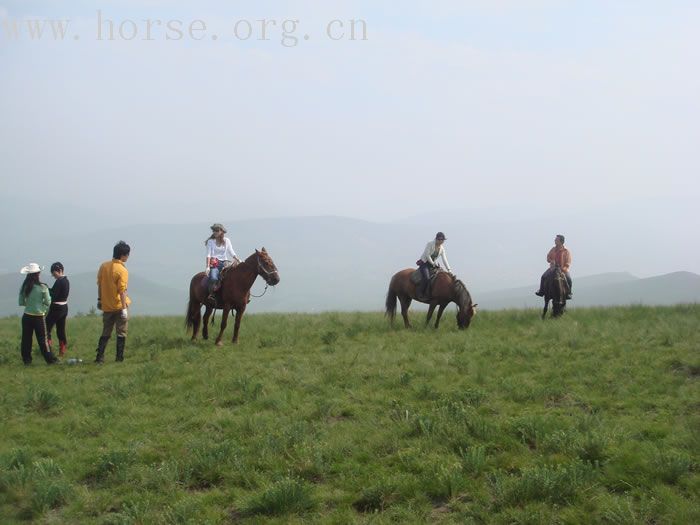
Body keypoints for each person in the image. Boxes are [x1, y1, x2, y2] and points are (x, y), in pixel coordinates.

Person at [95, 241, 131, 363]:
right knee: (121, 332)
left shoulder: (103, 266)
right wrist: (124, 309)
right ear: (123, 255)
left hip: (106, 306)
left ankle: (99, 357)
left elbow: (99, 285)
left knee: (106, 331)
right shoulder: (122, 270)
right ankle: (119, 358)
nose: (128, 257)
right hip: (119, 305)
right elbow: (122, 291)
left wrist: (100, 299)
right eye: (127, 254)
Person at [18, 263, 58, 365]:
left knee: (26, 339)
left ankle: (27, 360)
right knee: (43, 340)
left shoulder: (25, 286)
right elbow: (48, 302)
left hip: (27, 316)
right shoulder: (43, 287)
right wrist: (42, 309)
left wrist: (30, 305)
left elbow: (21, 302)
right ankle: (50, 360)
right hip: (39, 317)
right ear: (38, 274)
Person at [204, 223, 239, 306]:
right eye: (213, 230)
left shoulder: (227, 240)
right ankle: (212, 295)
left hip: (225, 263)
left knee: (235, 276)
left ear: (221, 231)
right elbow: (208, 254)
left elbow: (231, 251)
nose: (215, 232)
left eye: (217, 230)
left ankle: (238, 295)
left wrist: (237, 259)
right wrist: (208, 266)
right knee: (213, 277)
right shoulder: (210, 241)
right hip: (215, 263)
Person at [535, 234, 573, 299]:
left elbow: (568, 262)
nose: (555, 241)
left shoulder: (566, 251)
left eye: (556, 240)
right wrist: (551, 260)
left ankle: (569, 293)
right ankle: (541, 291)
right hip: (553, 268)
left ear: (561, 241)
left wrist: (563, 269)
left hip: (563, 269)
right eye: (555, 240)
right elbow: (548, 257)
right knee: (543, 276)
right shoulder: (553, 249)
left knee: (569, 279)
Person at [417, 232, 453, 298]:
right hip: (424, 263)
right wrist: (433, 263)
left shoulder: (442, 249)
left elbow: (444, 259)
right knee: (427, 278)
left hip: (433, 265)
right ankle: (420, 292)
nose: (441, 241)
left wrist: (449, 270)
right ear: (436, 239)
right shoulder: (430, 244)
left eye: (442, 240)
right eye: (439, 239)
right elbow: (427, 255)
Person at [46, 262, 70, 357]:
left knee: (46, 328)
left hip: (56, 308)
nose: (53, 275)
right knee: (61, 329)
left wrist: (46, 289)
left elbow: (53, 295)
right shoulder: (66, 280)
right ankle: (62, 350)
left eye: (54, 273)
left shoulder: (59, 281)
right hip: (64, 307)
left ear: (59, 271)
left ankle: (48, 349)